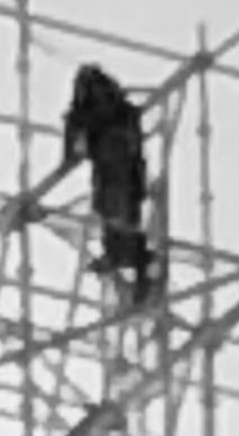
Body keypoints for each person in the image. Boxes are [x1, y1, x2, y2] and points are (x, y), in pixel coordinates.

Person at [64, 62, 165, 304]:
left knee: (118, 218)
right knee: (119, 218)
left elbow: (76, 137)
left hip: (116, 170)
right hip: (122, 170)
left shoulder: (95, 110)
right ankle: (133, 268)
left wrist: (70, 150)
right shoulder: (121, 110)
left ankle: (136, 269)